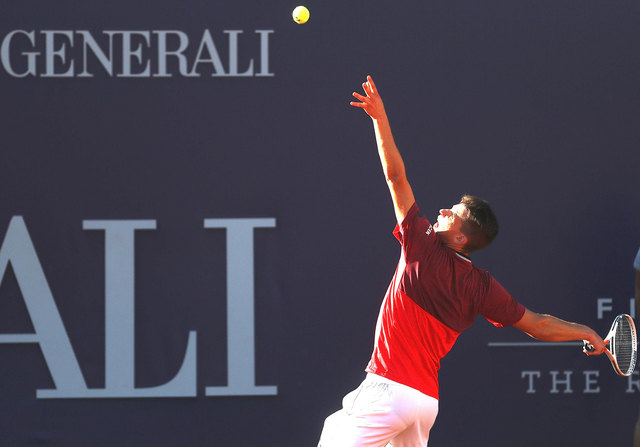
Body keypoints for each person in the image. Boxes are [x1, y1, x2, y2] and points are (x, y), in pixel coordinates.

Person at [316, 75, 607, 447]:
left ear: (460, 238)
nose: (441, 211)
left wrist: (379, 118)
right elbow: (538, 324)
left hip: (386, 391)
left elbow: (395, 177)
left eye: (451, 214)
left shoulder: (422, 246)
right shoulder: (482, 287)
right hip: (424, 404)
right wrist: (586, 331)